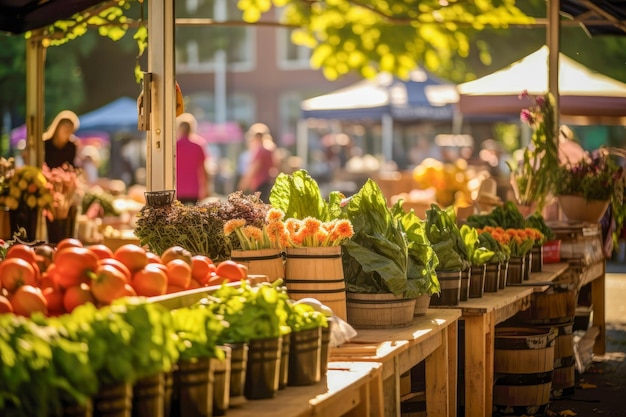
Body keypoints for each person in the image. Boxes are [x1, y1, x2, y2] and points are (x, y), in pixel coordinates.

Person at [237, 123, 278, 202]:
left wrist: (242, 186)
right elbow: (276, 166)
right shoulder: (271, 148)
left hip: (260, 184)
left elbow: (254, 168)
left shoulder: (260, 150)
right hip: (269, 182)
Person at [176, 113, 209, 204]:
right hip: (194, 189)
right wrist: (206, 188)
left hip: (178, 189)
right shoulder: (198, 145)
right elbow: (203, 168)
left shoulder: (174, 146)